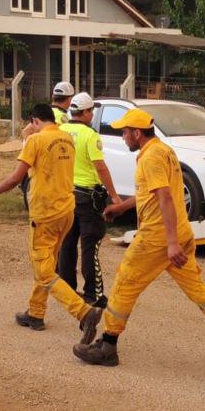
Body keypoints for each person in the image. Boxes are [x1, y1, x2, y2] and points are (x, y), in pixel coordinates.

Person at [72, 107, 205, 368]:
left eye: (125, 132)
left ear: (137, 133)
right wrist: (122, 207)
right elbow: (152, 193)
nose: (123, 137)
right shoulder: (163, 151)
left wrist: (170, 243)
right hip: (179, 231)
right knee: (197, 288)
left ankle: (108, 345)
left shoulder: (151, 157)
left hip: (157, 237)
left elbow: (165, 198)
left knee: (125, 283)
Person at [0, 103, 103, 340]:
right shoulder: (67, 138)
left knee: (44, 270)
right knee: (47, 262)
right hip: (66, 211)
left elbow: (16, 178)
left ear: (36, 121)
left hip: (45, 213)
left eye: (32, 124)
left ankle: (83, 312)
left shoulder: (36, 140)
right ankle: (36, 313)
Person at [58, 93, 122, 307]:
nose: (92, 115)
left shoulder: (61, 130)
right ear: (84, 112)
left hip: (66, 195)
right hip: (88, 197)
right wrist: (114, 195)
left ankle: (66, 290)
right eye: (91, 111)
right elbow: (100, 166)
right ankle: (93, 294)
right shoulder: (90, 135)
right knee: (90, 246)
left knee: (67, 244)